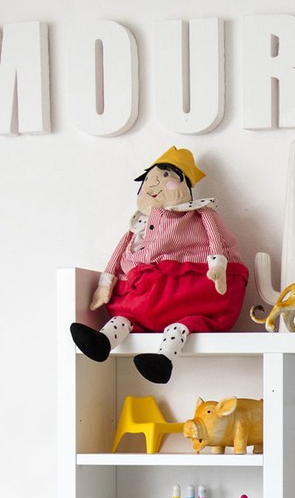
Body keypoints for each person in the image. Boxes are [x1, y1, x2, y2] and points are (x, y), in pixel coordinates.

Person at [70, 147, 250, 383]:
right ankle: (103, 341)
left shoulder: (200, 213)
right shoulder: (138, 225)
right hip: (145, 290)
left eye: (165, 179)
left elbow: (216, 239)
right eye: (149, 181)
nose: (154, 186)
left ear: (184, 184)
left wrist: (217, 266)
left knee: (181, 324)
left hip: (188, 287)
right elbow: (119, 252)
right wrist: (105, 283)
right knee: (125, 316)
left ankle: (163, 360)